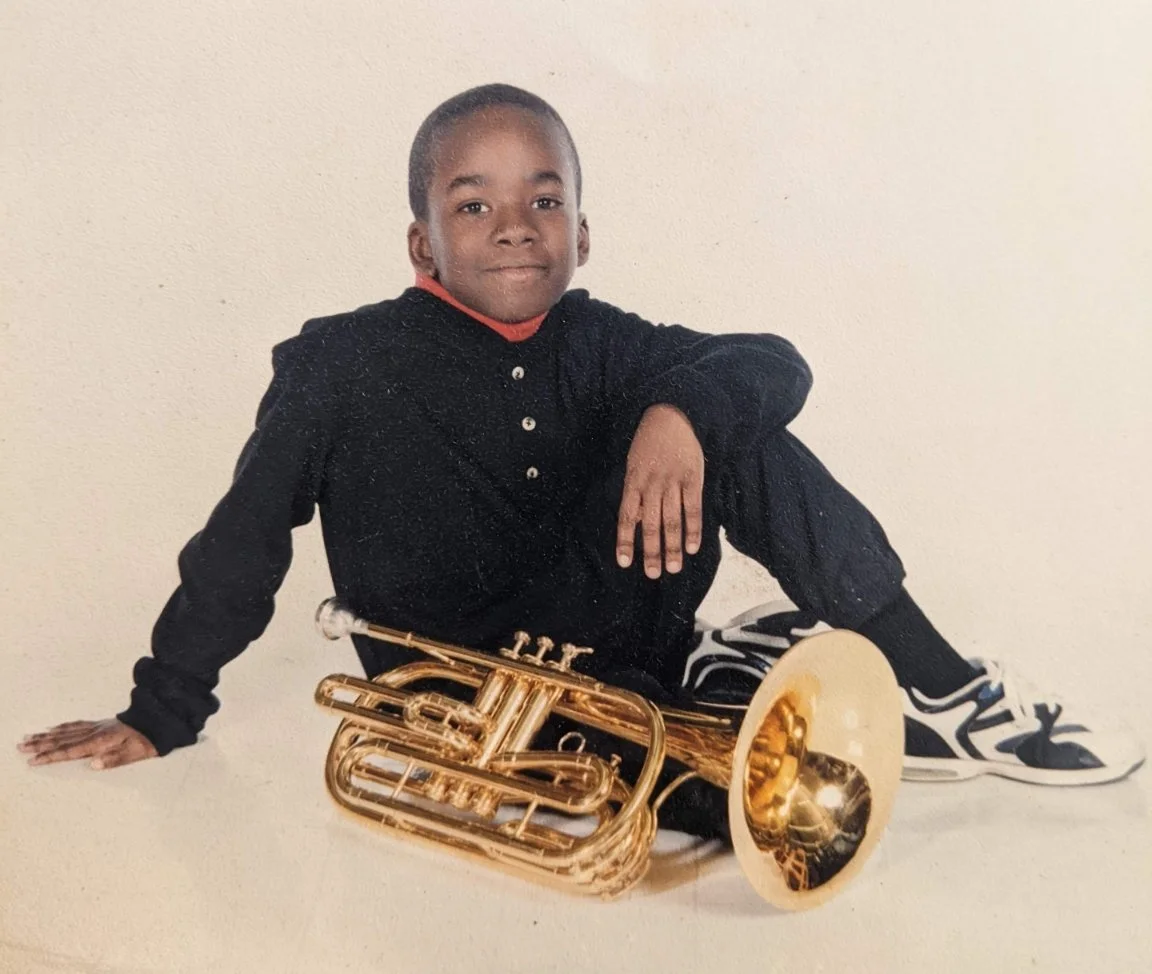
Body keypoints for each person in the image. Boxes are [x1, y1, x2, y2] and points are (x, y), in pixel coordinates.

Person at [19, 85, 1143, 838]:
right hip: (464, 690)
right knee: (745, 811)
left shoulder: (604, 339)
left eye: (543, 200)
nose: (515, 225)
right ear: (423, 242)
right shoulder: (339, 365)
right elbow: (243, 540)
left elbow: (775, 361)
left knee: (727, 417)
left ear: (582, 233)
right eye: (475, 204)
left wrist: (680, 412)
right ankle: (711, 686)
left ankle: (945, 688)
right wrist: (160, 709)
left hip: (610, 635)